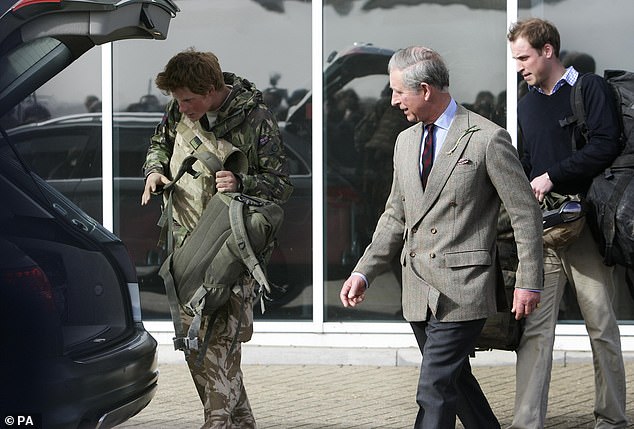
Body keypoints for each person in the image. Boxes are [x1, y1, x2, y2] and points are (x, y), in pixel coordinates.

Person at [339, 46, 544, 429]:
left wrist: (529, 282)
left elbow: (524, 213)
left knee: (433, 387)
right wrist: (364, 271)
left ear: (426, 90)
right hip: (417, 290)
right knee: (455, 382)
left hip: (463, 288)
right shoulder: (404, 143)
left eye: (399, 91)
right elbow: (394, 215)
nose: (393, 100)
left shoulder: (486, 137)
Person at [140, 48, 293, 428]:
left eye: (189, 99)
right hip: (184, 247)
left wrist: (243, 182)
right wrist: (155, 172)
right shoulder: (180, 110)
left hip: (230, 249)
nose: (182, 107)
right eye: (177, 100)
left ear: (211, 88)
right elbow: (160, 143)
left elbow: (281, 185)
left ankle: (218, 421)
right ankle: (241, 422)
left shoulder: (256, 119)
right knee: (195, 345)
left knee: (217, 344)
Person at [507, 18, 627, 429]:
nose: (519, 66)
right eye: (515, 59)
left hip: (587, 228)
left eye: (523, 57)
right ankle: (526, 423)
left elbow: (606, 144)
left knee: (601, 325)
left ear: (547, 50)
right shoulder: (525, 103)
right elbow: (527, 163)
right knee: (535, 331)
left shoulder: (588, 88)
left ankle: (611, 420)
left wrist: (553, 175)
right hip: (545, 230)